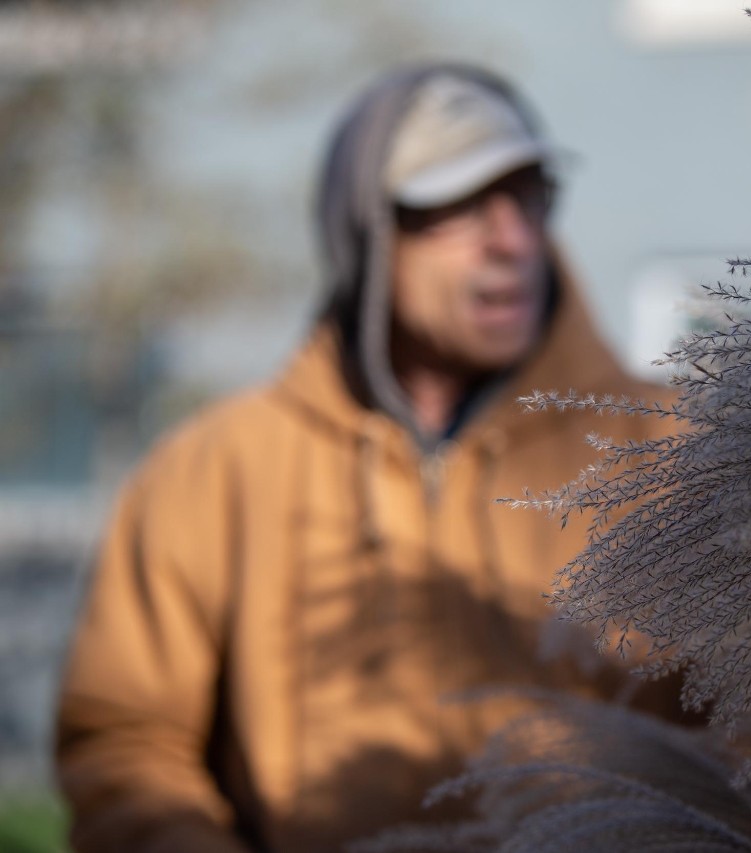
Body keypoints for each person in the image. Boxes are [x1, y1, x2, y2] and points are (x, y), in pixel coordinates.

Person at [55, 63, 681, 853]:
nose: (513, 239)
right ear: (367, 234)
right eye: (459, 204)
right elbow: (124, 743)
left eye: (529, 196)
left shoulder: (672, 452)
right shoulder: (212, 470)